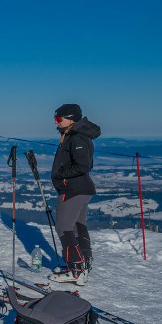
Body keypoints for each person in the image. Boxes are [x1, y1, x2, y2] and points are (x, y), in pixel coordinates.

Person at [49, 103, 101, 285]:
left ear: (70, 119)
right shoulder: (75, 135)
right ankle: (83, 264)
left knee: (64, 228)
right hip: (81, 188)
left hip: (72, 189)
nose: (56, 122)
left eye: (58, 119)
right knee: (78, 226)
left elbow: (83, 165)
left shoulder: (76, 137)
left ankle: (76, 270)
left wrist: (61, 175)